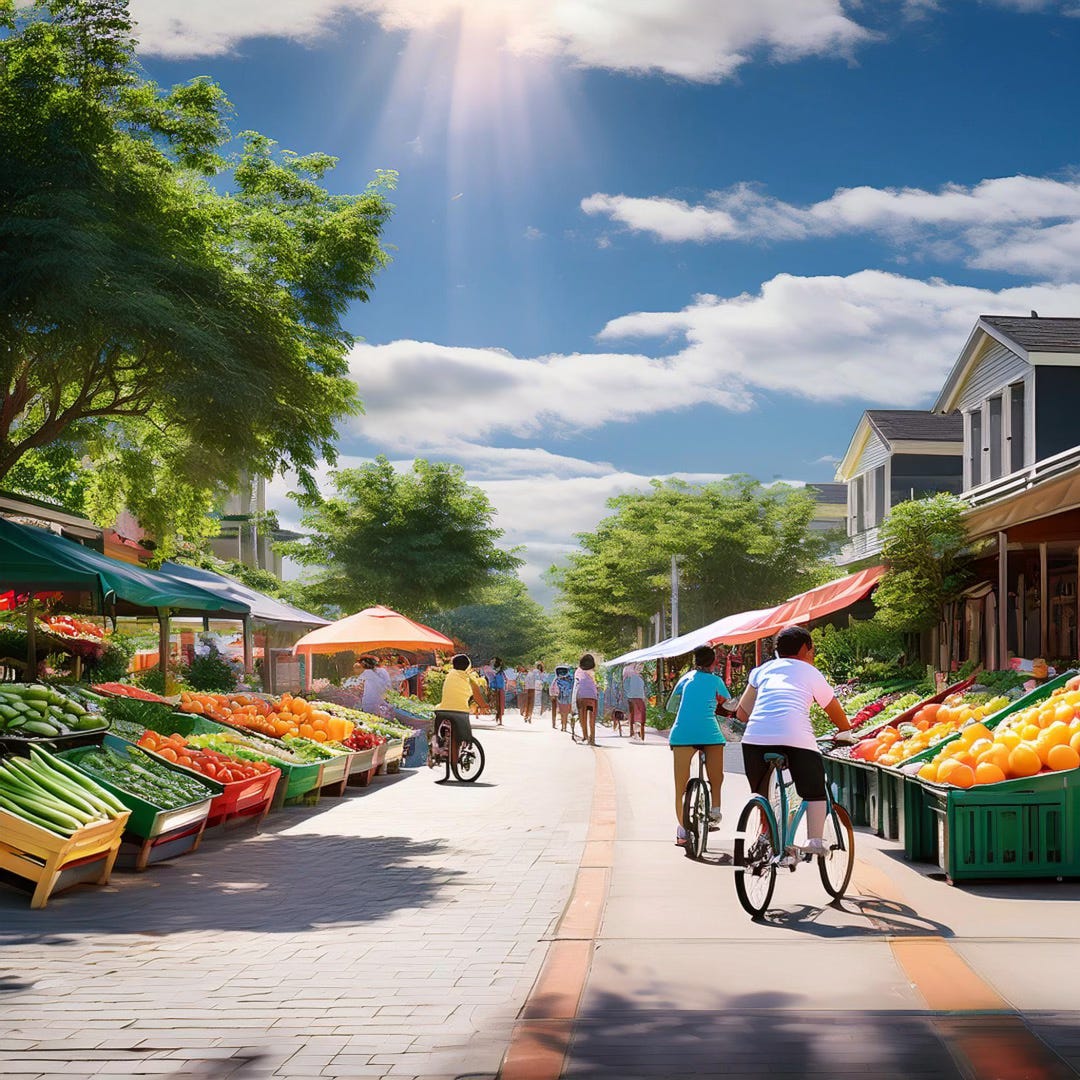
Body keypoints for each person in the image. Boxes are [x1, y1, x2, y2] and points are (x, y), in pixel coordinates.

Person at [735, 625, 853, 857]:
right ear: (803, 649)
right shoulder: (810, 672)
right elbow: (832, 708)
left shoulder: (762, 670)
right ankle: (815, 841)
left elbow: (742, 713)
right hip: (795, 738)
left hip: (754, 740)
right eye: (812, 649)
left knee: (762, 795)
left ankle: (766, 839)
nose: (812, 654)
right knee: (814, 788)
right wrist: (845, 730)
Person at [666, 646, 731, 846]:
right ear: (714, 663)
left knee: (680, 787)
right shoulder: (716, 681)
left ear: (695, 661)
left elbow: (670, 707)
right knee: (716, 776)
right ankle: (715, 810)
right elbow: (728, 704)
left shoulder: (685, 679)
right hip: (709, 733)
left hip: (681, 735)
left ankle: (683, 830)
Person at [433, 653, 489, 761]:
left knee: (437, 731)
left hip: (442, 711)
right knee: (462, 736)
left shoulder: (449, 675)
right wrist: (483, 706)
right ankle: (459, 748)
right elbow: (477, 697)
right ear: (467, 666)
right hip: (460, 712)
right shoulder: (469, 679)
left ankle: (438, 746)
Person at [572, 654, 599, 745]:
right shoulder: (592, 672)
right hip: (592, 697)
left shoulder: (577, 671)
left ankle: (585, 736)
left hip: (581, 696)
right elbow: (594, 684)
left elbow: (576, 685)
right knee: (591, 717)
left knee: (582, 717)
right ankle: (592, 739)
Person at [624, 663, 648, 741]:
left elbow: (643, 689)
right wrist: (629, 695)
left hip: (640, 698)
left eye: (641, 667)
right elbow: (625, 687)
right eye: (638, 667)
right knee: (634, 715)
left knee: (642, 715)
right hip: (632, 698)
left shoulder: (641, 678)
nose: (640, 669)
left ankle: (638, 732)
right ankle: (634, 732)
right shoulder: (630, 677)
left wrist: (644, 697)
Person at [551, 664, 574, 731]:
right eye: (560, 671)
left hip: (566, 698)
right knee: (563, 712)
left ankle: (564, 725)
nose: (561, 673)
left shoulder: (570, 679)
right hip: (562, 697)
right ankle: (563, 725)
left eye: (563, 671)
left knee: (564, 712)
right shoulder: (557, 680)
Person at [487, 657, 507, 726]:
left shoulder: (496, 671)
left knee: (498, 705)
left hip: (496, 688)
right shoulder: (499, 672)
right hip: (499, 688)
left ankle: (499, 719)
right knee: (500, 705)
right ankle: (499, 719)